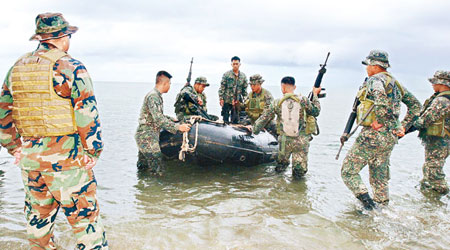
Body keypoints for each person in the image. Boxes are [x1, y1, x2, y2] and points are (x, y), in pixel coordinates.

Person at [0, 13, 108, 249]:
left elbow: (3, 111)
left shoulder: (15, 69)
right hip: (68, 162)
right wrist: (93, 152)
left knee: (39, 228)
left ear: (40, 38)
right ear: (63, 37)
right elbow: (87, 114)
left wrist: (14, 147)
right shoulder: (71, 67)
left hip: (31, 162)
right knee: (86, 226)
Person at [340, 50, 422, 210]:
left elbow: (380, 98)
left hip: (372, 136)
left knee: (348, 172)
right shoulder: (396, 84)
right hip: (389, 138)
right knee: (379, 176)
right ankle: (382, 209)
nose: (366, 69)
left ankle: (369, 206)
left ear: (375, 65)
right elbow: (416, 106)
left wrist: (380, 120)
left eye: (368, 65)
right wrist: (402, 126)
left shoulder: (374, 80)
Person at [248, 76, 321, 179]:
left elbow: (265, 118)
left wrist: (254, 130)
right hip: (300, 141)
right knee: (299, 174)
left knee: (280, 169)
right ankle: (296, 193)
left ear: (282, 87)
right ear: (294, 87)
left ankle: (279, 190)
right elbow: (316, 111)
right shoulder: (303, 100)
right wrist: (315, 95)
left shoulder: (277, 102)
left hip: (284, 141)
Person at [135, 71, 191, 175]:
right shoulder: (153, 97)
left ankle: (141, 189)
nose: (170, 86)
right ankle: (156, 190)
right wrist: (178, 127)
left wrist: (171, 119)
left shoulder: (156, 95)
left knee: (143, 168)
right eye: (169, 83)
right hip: (147, 136)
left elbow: (155, 115)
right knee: (156, 168)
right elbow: (158, 119)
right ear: (164, 83)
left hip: (146, 135)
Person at [412, 70, 450, 195]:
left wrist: (408, 127)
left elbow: (425, 119)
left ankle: (440, 197)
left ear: (443, 83)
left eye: (435, 82)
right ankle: (429, 200)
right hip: (443, 140)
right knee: (430, 168)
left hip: (440, 141)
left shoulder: (442, 100)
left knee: (433, 171)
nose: (433, 85)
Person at [219, 56, 248, 124]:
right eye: (234, 64)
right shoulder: (227, 75)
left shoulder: (243, 76)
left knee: (236, 119)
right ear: (231, 64)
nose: (235, 65)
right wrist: (221, 98)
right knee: (225, 119)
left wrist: (246, 100)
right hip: (227, 99)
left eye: (236, 64)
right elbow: (222, 87)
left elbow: (244, 90)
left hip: (237, 101)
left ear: (239, 64)